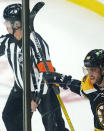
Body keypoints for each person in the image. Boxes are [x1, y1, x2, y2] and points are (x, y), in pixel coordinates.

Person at [0, 3, 69, 131]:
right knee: (10, 117)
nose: (5, 24)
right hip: (21, 89)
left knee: (55, 127)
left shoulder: (36, 42)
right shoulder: (8, 41)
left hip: (45, 91)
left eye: (8, 22)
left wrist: (36, 99)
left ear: (16, 24)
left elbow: (45, 73)